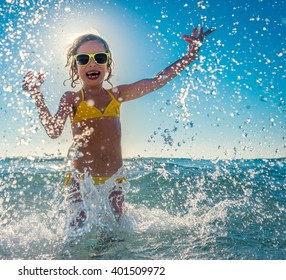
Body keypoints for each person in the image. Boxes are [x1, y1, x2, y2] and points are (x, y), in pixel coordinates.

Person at [22, 27, 214, 226]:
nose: (92, 63)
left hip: (114, 181)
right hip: (81, 182)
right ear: (75, 68)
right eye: (83, 59)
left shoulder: (117, 95)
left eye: (99, 57)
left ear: (108, 64)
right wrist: (37, 95)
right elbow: (54, 131)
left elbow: (157, 81)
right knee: (75, 235)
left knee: (114, 236)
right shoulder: (72, 98)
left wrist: (190, 56)